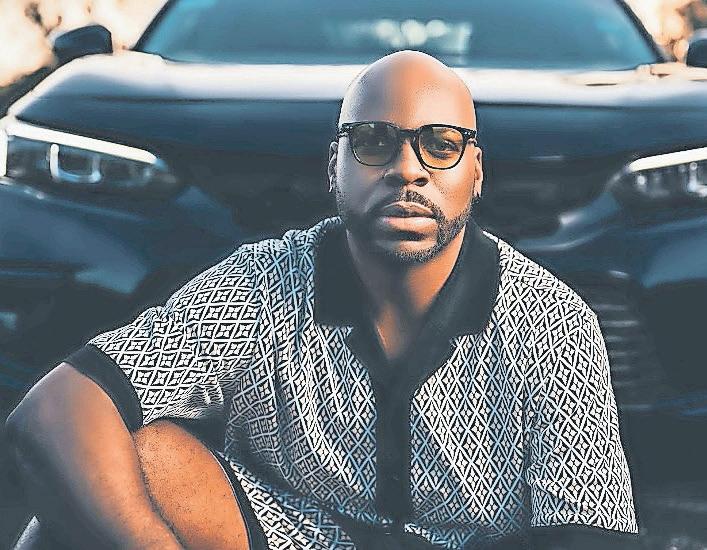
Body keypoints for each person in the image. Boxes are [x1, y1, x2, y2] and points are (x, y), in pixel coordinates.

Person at [6, 50, 638, 550]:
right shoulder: (264, 283)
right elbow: (52, 411)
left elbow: (591, 539)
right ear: (334, 165)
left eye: (440, 144)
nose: (408, 170)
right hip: (300, 536)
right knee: (110, 475)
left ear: (476, 171)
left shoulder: (553, 320)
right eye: (374, 142)